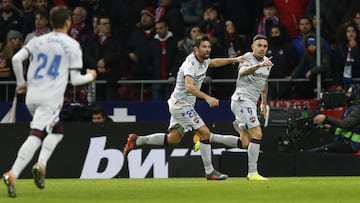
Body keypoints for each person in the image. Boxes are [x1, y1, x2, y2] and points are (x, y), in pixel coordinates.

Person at [123, 35, 248, 180]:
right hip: (181, 105)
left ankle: (137, 140)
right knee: (205, 134)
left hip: (181, 104)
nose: (207, 49)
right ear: (196, 49)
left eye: (208, 47)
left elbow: (213, 63)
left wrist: (234, 59)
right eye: (204, 47)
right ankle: (210, 172)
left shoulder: (204, 61)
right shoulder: (191, 64)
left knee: (173, 139)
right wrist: (207, 97)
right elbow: (189, 87)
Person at [2, 6, 97, 198]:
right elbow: (76, 80)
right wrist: (91, 75)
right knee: (36, 134)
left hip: (32, 96)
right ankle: (13, 173)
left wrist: (21, 82)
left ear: (51, 22)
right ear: (68, 22)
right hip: (50, 97)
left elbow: (16, 59)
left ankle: (41, 164)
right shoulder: (71, 44)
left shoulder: (37, 40)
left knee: (56, 131)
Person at [228, 35, 273, 180]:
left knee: (245, 142)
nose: (262, 48)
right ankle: (252, 173)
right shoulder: (247, 57)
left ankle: (208, 137)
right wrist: (259, 66)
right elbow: (242, 72)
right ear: (252, 46)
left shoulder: (268, 63)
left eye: (265, 46)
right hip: (241, 99)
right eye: (259, 45)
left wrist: (264, 104)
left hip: (252, 103)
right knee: (257, 134)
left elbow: (264, 85)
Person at [310, 84, 360, 153]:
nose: (346, 95)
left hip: (351, 144)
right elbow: (345, 129)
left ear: (356, 95)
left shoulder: (357, 110)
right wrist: (331, 128)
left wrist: (326, 118)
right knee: (320, 148)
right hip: (344, 141)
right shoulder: (351, 108)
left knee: (320, 150)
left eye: (349, 93)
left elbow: (345, 124)